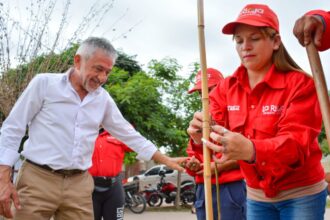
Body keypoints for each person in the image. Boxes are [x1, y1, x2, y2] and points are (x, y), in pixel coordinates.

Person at [0, 37, 185, 220]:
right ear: (78, 61)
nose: (102, 78)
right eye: (98, 69)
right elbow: (13, 127)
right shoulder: (45, 84)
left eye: (108, 72)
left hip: (79, 184)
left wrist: (164, 159)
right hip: (37, 179)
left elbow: (128, 134)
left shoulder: (102, 99)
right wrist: (3, 178)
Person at [188, 4, 327, 220]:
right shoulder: (224, 89)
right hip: (256, 196)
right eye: (239, 40)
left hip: (302, 193)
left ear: (275, 41)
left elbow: (296, 145)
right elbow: (214, 146)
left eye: (255, 38)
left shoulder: (302, 84)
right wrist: (200, 138)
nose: (246, 46)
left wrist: (252, 149)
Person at [185, 68, 246, 220]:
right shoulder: (199, 121)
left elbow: (250, 153)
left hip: (231, 187)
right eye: (201, 93)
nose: (205, 96)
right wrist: (192, 165)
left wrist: (218, 167)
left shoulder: (237, 116)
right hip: (203, 188)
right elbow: (193, 157)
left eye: (210, 89)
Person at [88, 128, 132, 220]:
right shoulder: (83, 134)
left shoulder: (118, 133)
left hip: (114, 187)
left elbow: (136, 144)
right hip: (88, 188)